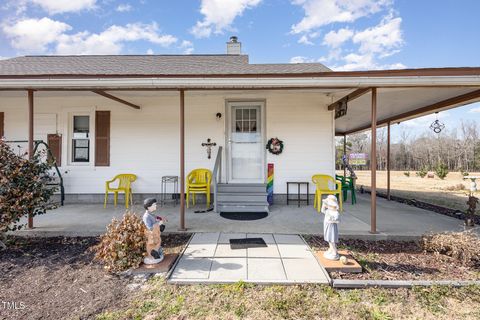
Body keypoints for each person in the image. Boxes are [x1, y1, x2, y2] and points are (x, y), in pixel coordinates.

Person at [142, 198, 166, 264]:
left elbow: (156, 218)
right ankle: (152, 253)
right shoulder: (146, 216)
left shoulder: (151, 214)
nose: (156, 206)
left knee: (158, 241)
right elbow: (150, 227)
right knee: (152, 244)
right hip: (151, 235)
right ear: (149, 206)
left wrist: (160, 220)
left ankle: (156, 251)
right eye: (154, 205)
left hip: (156, 233)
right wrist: (158, 224)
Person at [321, 194, 340, 260]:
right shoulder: (328, 211)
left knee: (332, 240)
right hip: (327, 226)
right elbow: (322, 211)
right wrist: (323, 204)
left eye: (331, 205)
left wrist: (331, 219)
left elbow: (337, 220)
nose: (330, 207)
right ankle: (331, 249)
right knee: (328, 239)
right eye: (329, 205)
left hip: (331, 227)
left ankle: (334, 251)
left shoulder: (335, 213)